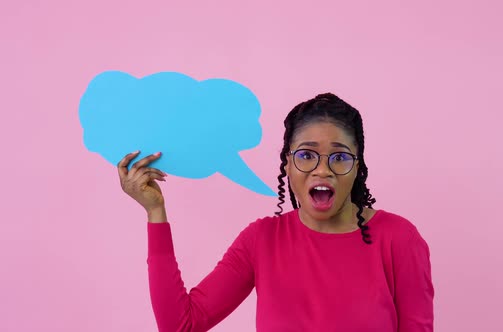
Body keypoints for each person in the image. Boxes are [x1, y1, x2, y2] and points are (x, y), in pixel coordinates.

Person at [117, 93, 434, 332]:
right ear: (287, 164)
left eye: (339, 157)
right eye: (307, 155)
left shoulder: (399, 239)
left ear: (357, 167)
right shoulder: (262, 240)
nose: (322, 170)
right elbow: (180, 324)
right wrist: (155, 212)